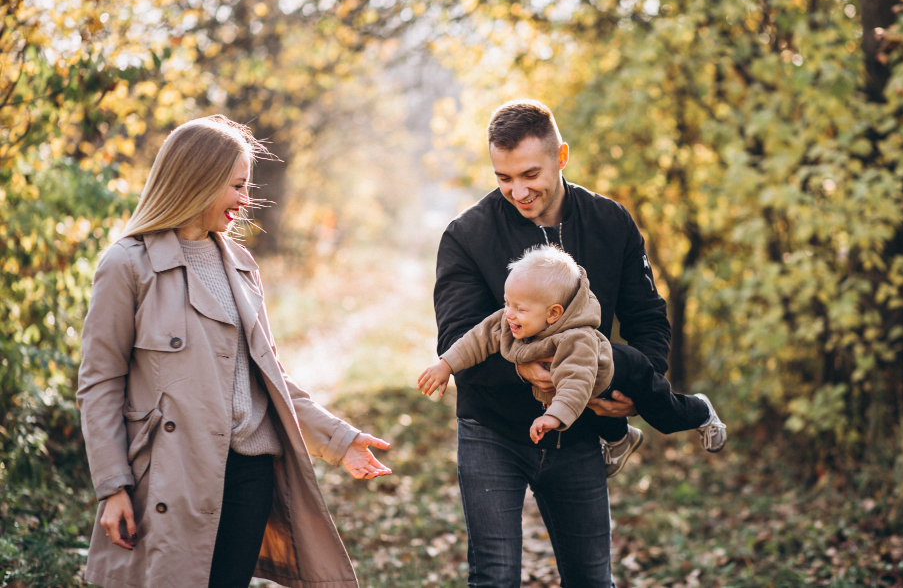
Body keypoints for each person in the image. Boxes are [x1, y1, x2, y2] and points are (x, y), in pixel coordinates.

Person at [77, 115, 391, 588]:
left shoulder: (241, 265)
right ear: (197, 180)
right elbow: (100, 382)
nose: (246, 200)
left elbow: (270, 376)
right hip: (170, 479)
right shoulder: (127, 264)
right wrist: (112, 487)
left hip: (250, 475)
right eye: (237, 186)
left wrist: (339, 438)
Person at [433, 99, 723, 587]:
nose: (517, 191)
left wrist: (632, 387)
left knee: (591, 579)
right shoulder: (467, 235)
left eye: (529, 174)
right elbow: (457, 336)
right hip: (492, 430)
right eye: (503, 177)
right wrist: (521, 368)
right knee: (494, 578)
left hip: (581, 432)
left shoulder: (611, 223)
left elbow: (647, 317)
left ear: (561, 156)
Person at [419, 245, 725, 448]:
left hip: (626, 369)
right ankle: (621, 443)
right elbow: (477, 339)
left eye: (520, 308)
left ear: (553, 314)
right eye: (506, 303)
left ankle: (701, 411)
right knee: (595, 413)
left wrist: (553, 416)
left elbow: (576, 381)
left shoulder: (575, 339)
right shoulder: (510, 319)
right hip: (589, 385)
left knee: (663, 415)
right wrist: (445, 365)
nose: (509, 313)